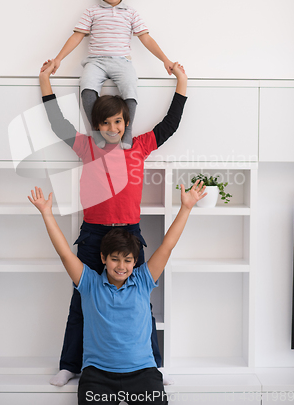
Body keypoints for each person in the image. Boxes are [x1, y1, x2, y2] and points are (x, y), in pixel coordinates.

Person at [39, 58, 188, 386]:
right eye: (105, 123)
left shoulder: (139, 145)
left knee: (141, 302)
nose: (112, 128)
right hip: (94, 234)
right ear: (97, 125)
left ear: (125, 122)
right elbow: (57, 123)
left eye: (118, 122)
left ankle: (153, 365)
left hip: (130, 233)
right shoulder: (87, 147)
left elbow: (170, 124)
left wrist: (181, 83)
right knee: (82, 301)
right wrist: (45, 82)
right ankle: (69, 364)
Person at [28, 181, 207, 404]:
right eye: (114, 259)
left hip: (143, 374)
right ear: (103, 258)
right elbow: (65, 254)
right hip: (98, 377)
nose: (121, 266)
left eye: (127, 260)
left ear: (135, 262)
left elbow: (167, 246)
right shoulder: (89, 283)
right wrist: (47, 213)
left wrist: (186, 207)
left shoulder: (143, 280)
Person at [40, 0, 175, 148]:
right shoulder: (92, 11)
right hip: (96, 62)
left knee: (130, 86)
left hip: (122, 62)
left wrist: (165, 60)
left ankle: (126, 132)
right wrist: (58, 59)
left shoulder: (131, 13)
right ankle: (97, 132)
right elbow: (77, 36)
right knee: (86, 86)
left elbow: (146, 39)